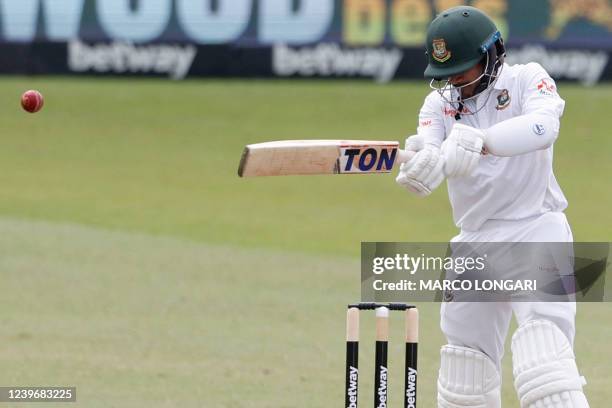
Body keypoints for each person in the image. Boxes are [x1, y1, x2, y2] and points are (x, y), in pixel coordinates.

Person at [395, 6, 590, 408]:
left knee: (544, 365)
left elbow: (544, 128)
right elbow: (432, 149)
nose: (453, 82)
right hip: (474, 241)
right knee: (464, 372)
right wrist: (423, 164)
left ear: (492, 53)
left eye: (462, 70)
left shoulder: (526, 79)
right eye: (445, 74)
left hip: (535, 231)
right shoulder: (437, 106)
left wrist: (480, 140)